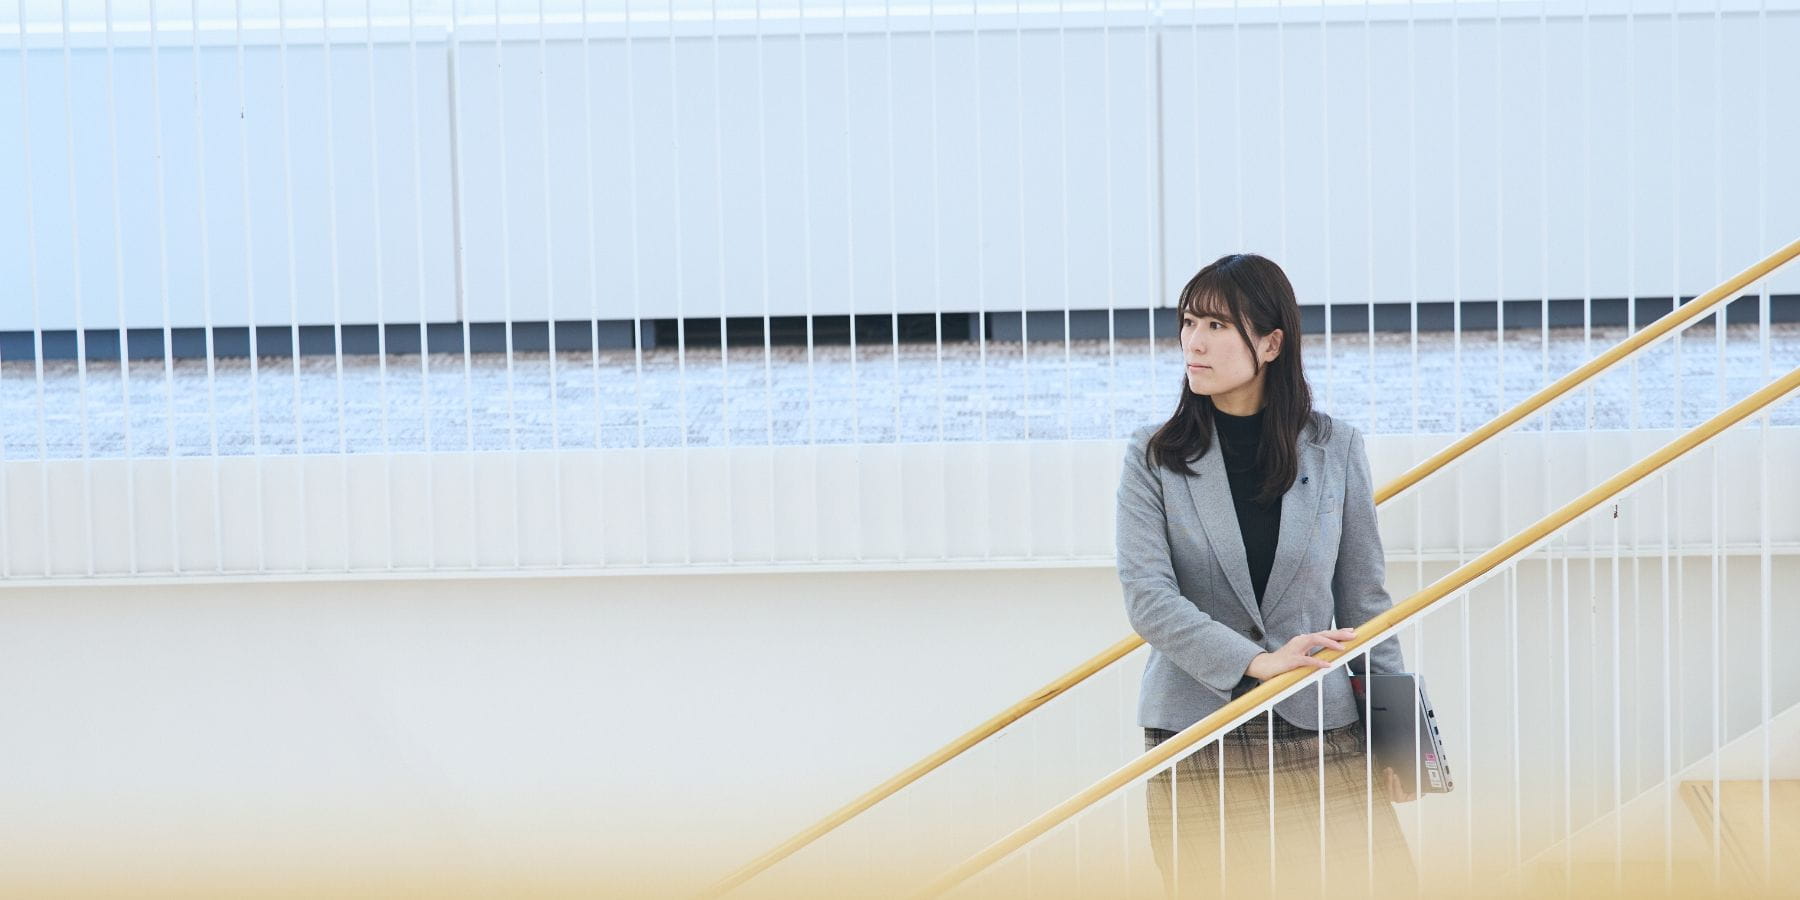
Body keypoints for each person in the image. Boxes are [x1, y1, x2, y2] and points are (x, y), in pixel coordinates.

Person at [1114, 253, 1419, 899]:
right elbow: (1148, 598)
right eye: (1189, 322)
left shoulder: (1336, 448)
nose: (1194, 342)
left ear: (1272, 343)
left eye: (1217, 326)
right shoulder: (1154, 455)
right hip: (1198, 730)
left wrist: (1397, 733)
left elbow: (1364, 599)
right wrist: (1257, 663)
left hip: (1321, 724)